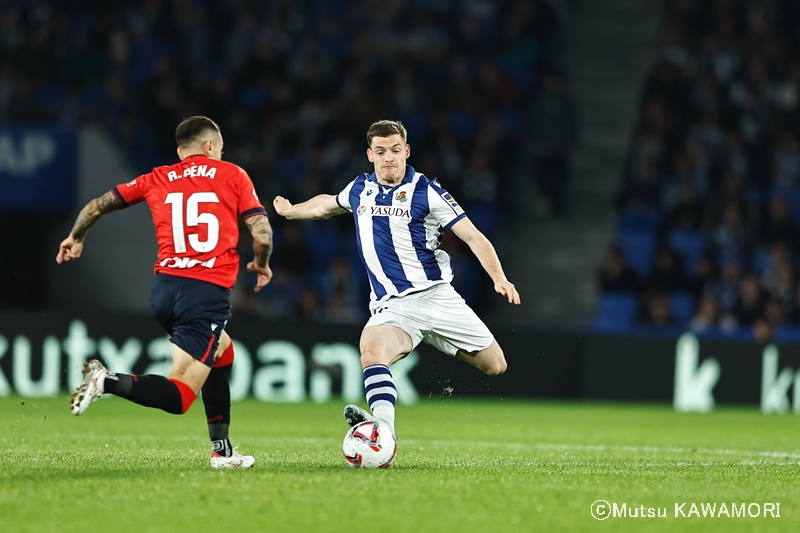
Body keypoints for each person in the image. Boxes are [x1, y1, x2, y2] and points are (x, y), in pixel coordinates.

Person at [273, 119, 520, 445]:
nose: (388, 157)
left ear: (406, 151)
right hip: (395, 307)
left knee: (496, 366)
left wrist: (498, 278)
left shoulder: (427, 191)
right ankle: (383, 431)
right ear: (370, 155)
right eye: (380, 151)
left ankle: (433, 337)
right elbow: (325, 205)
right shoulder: (360, 189)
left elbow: (474, 237)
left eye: (394, 150)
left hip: (437, 298)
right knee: (372, 352)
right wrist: (292, 211)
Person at [56, 116, 273, 469]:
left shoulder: (157, 177)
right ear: (209, 146)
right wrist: (262, 263)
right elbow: (261, 233)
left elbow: (97, 204)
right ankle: (105, 381)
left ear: (179, 151)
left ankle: (222, 451)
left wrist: (76, 236)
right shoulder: (233, 174)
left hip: (165, 292)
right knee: (180, 396)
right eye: (219, 148)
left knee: (223, 351)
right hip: (204, 293)